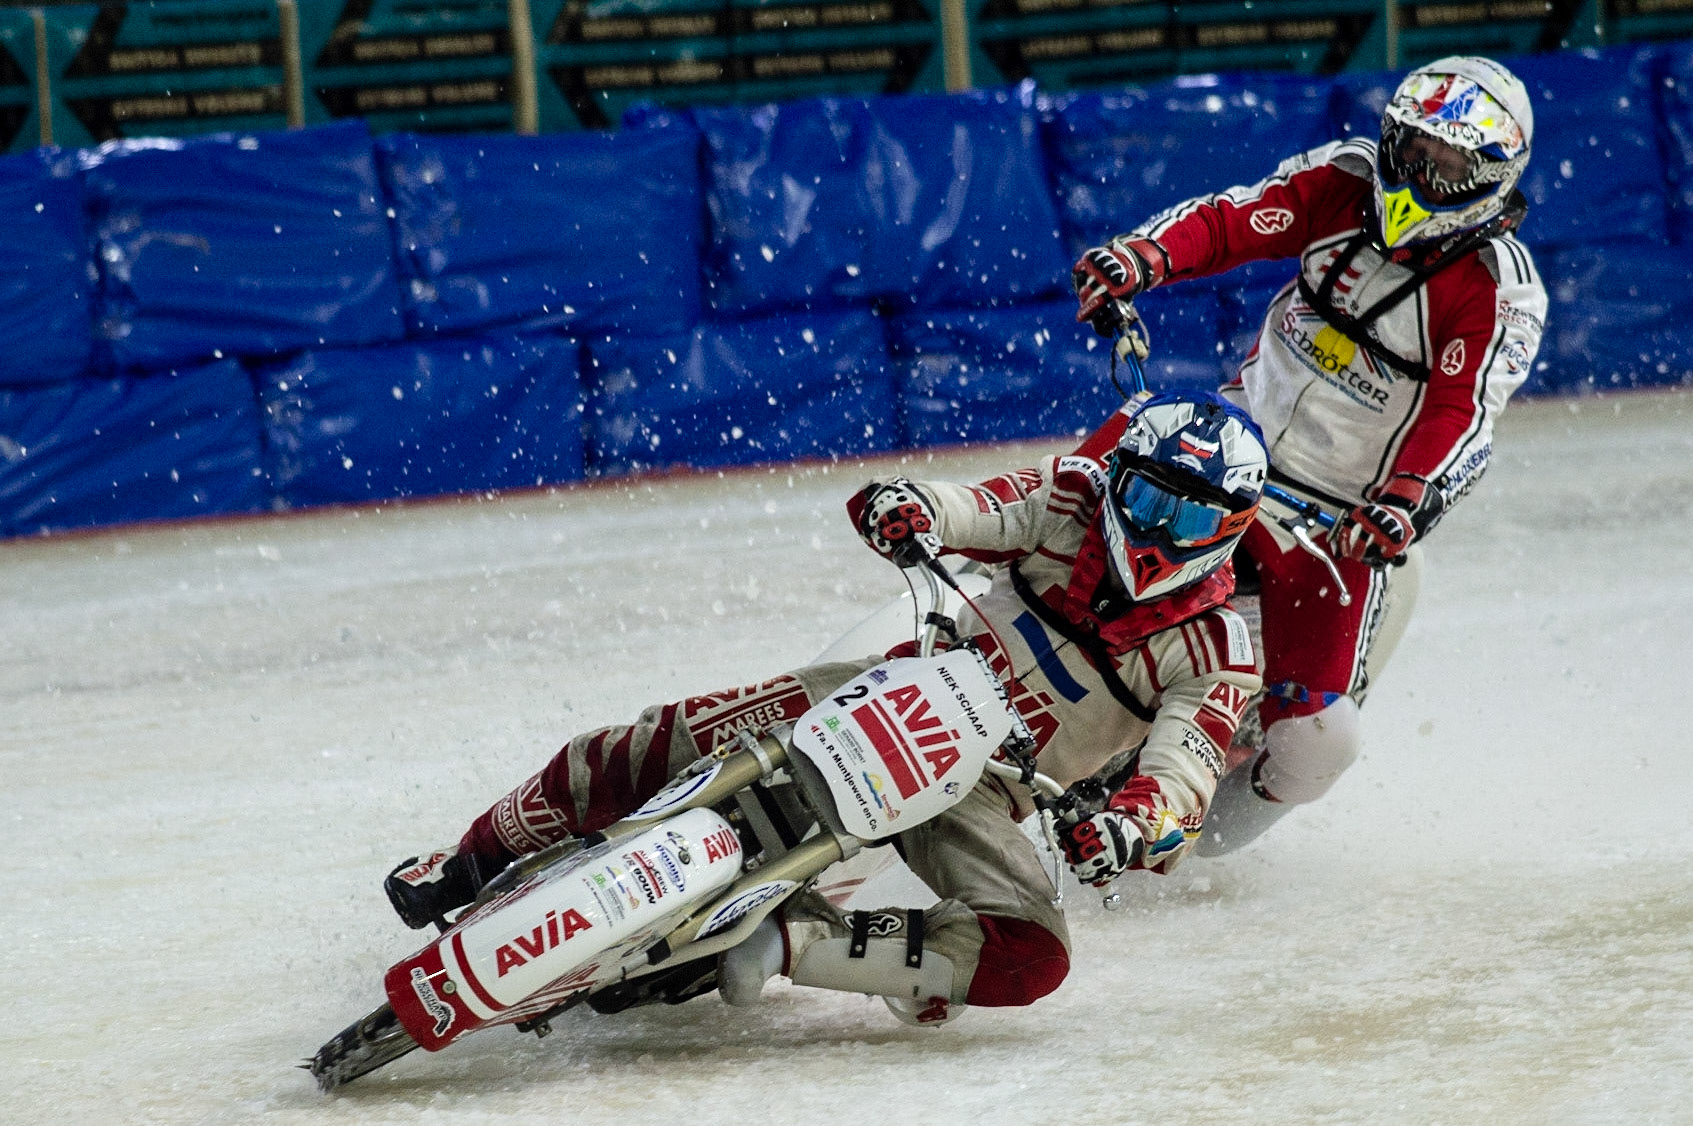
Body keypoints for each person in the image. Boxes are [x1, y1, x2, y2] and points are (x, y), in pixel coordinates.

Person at [385, 390, 1267, 1024]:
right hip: (879, 696)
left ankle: (797, 939)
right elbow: (974, 506)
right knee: (647, 745)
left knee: (1033, 957)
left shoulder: (1218, 651)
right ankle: (466, 865)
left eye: (1190, 520)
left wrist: (1130, 824)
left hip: (986, 792)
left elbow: (1184, 771)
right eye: (1147, 499)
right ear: (1118, 481)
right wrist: (904, 507)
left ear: (1230, 530)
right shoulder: (1072, 493)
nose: (1157, 535)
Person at [1068, 56, 1548, 853]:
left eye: (1452, 165)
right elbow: (1232, 219)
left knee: (1321, 741)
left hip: (1334, 520)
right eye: (1416, 149)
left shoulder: (1501, 287)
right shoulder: (1343, 176)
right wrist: (1141, 258)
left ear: (1493, 177)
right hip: (1231, 444)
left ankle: (1211, 835)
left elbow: (1462, 419)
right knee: (1086, 470)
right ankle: (966, 602)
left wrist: (1400, 504)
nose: (1424, 174)